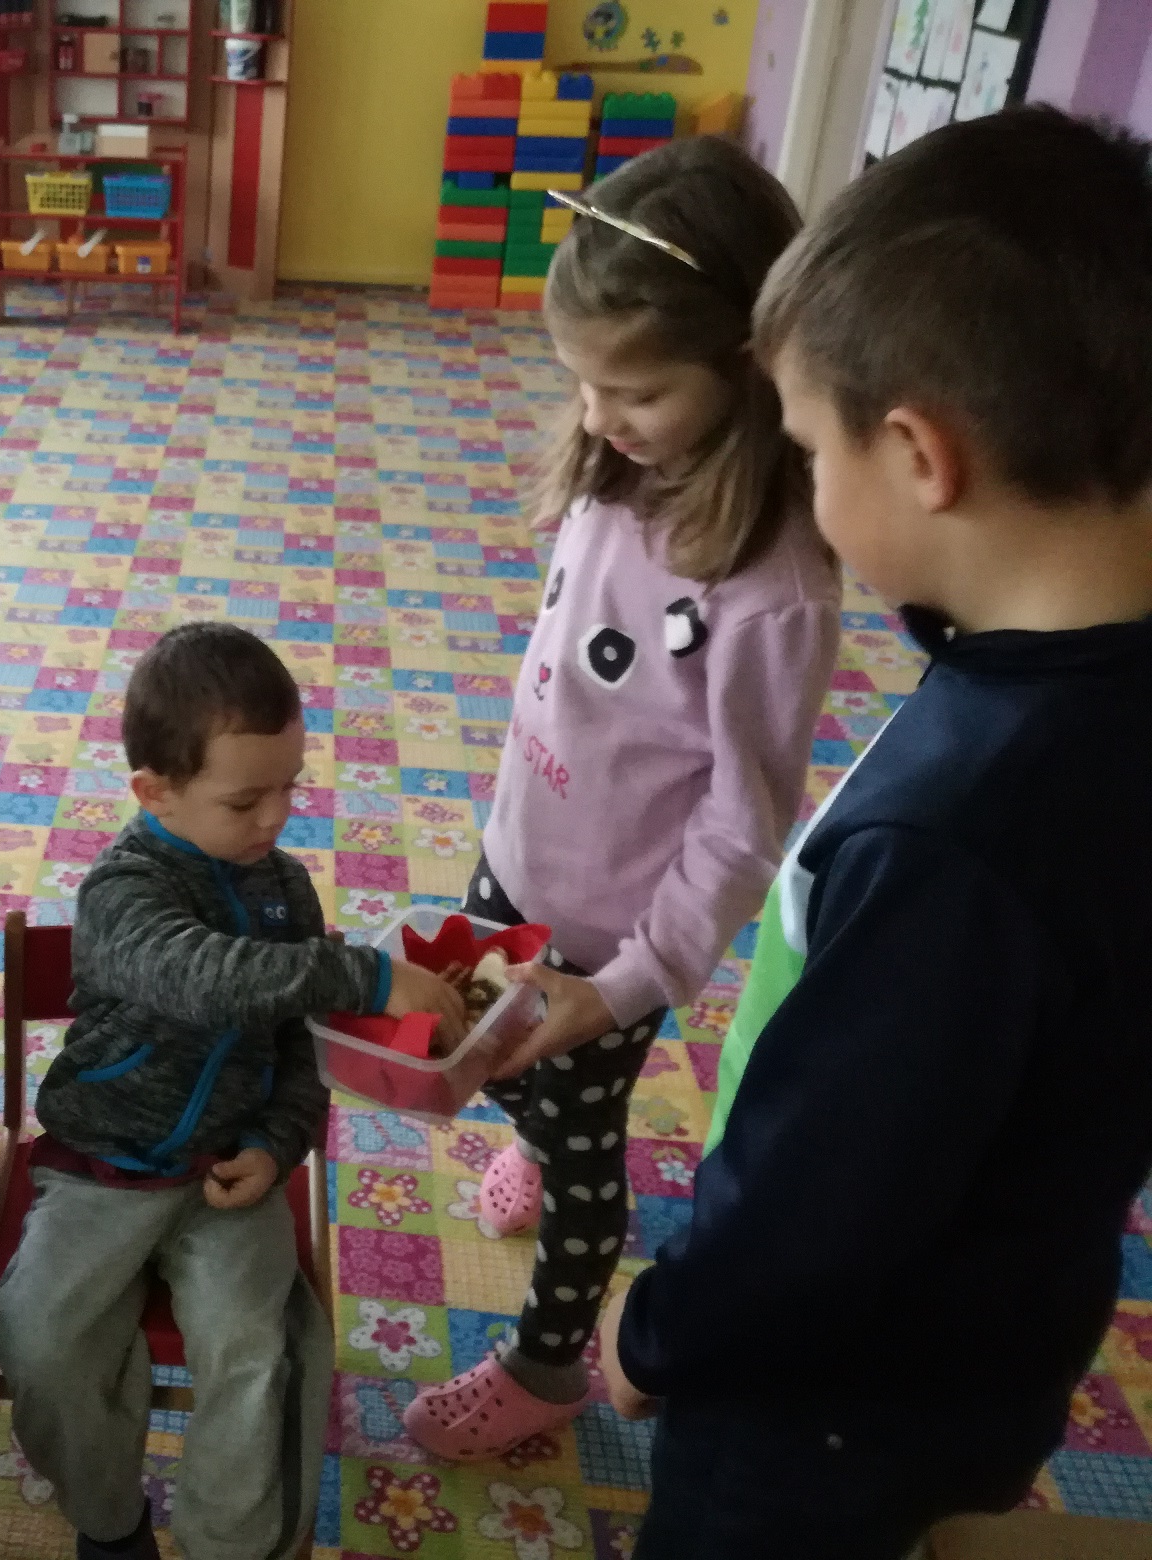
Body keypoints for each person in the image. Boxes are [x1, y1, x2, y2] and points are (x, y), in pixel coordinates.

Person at [599, 106, 1152, 1559]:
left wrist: (657, 1331)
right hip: (992, 1350)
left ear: (917, 453)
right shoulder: (1084, 701)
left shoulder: (959, 838)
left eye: (804, 448)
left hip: (815, 1412)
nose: (805, 488)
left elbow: (818, 1202)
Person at [402, 136, 843, 1461]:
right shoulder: (619, 470)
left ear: (750, 366)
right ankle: (537, 1136)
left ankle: (547, 1368)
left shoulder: (774, 592)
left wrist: (625, 985)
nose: (597, 418)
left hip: (611, 943)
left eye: (635, 390)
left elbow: (741, 830)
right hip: (516, 861)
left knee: (585, 1146)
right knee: (497, 1056)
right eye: (583, 383)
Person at [0, 622, 474, 1560]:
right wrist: (367, 975)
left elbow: (301, 1049)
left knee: (263, 1356)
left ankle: (231, 1545)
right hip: (103, 1165)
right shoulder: (120, 889)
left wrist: (277, 1143)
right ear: (154, 792)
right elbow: (206, 978)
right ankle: (110, 1524)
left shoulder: (286, 888)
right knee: (41, 1341)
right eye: (246, 799)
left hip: (230, 1173)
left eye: (291, 787)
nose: (275, 819)